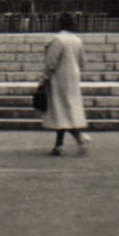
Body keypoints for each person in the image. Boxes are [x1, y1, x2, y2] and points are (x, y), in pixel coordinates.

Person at [40, 13, 89, 156]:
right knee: (68, 108)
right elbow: (82, 61)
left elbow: (51, 62)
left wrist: (44, 78)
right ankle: (60, 144)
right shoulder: (77, 40)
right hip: (72, 77)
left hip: (59, 78)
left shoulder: (58, 40)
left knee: (60, 110)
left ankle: (76, 139)